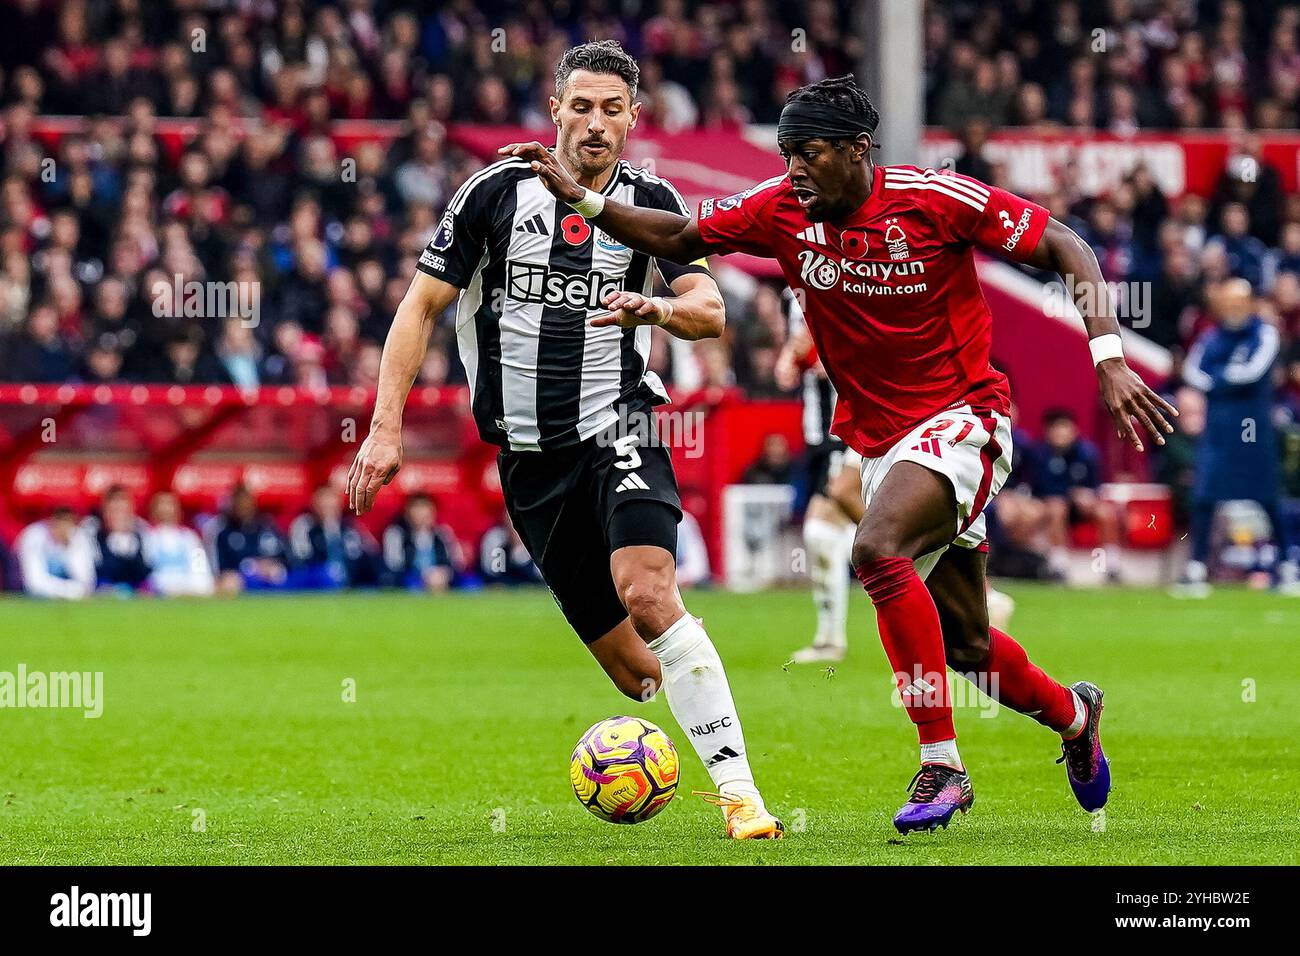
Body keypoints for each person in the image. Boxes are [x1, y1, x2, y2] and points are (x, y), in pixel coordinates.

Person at [502, 73, 1178, 834]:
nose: (794, 170)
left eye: (810, 154)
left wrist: (1110, 359)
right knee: (968, 644)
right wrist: (586, 201)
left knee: (876, 548)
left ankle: (941, 767)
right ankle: (1074, 716)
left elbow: (1066, 245)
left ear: (858, 151)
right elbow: (680, 238)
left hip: (965, 419)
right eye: (787, 154)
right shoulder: (781, 208)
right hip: (887, 442)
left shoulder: (933, 199)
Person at [347, 41, 783, 839]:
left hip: (619, 421)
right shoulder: (493, 194)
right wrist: (384, 428)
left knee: (648, 590)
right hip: (528, 458)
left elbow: (711, 311)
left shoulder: (650, 201)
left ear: (632, 118)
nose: (594, 123)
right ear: (555, 111)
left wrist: (650, 310)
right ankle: (697, 711)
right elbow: (419, 308)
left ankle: (740, 795)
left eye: (611, 109)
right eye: (579, 106)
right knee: (635, 676)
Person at [1179, 279, 1296, 595]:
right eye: (1227, 302)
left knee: (1267, 495)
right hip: (1218, 428)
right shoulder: (1210, 336)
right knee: (1205, 496)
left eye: (1238, 301)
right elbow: (1192, 372)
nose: (1233, 308)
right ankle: (1196, 568)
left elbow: (1252, 372)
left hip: (1252, 427)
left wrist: (1218, 378)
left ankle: (1286, 566)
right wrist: (1225, 377)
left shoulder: (1265, 333)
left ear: (1249, 303)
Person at [775, 294, 861, 662]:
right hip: (818, 433)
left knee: (824, 530)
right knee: (826, 534)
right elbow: (799, 352)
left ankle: (831, 639)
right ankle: (830, 638)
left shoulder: (839, 273)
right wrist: (791, 358)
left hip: (851, 424)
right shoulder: (788, 296)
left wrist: (822, 354)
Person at [1031, 408, 1123, 583]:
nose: (1062, 433)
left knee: (1106, 513)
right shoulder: (1039, 454)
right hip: (1053, 506)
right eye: (1057, 429)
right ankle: (1059, 566)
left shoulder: (1087, 453)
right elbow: (1039, 489)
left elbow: (1096, 486)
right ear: (1048, 432)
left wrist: (1088, 496)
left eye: (1065, 428)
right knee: (1056, 509)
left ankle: (1111, 566)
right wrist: (1068, 494)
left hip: (1082, 506)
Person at [204, 484, 290, 594]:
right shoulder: (223, 532)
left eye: (247, 501)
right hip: (240, 579)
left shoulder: (266, 526)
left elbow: (285, 557)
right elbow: (221, 567)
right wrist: (251, 566)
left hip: (270, 578)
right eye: (240, 502)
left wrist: (270, 565)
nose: (244, 506)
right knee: (229, 583)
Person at [288, 484, 376, 589]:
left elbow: (359, 555)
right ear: (314, 506)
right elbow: (302, 557)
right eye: (324, 506)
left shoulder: (349, 528)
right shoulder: (304, 525)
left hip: (347, 575)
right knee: (326, 577)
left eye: (332, 505)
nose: (328, 510)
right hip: (314, 574)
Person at [381, 493, 461, 592]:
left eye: (425, 509)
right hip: (409, 578)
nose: (421, 514)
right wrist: (424, 575)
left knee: (470, 584)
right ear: (407, 513)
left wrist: (444, 573)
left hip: (440, 576)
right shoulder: (396, 533)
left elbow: (454, 561)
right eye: (417, 509)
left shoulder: (442, 533)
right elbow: (394, 564)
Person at [142, 490, 214, 597]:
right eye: (161, 505)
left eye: (170, 504)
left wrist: (193, 589)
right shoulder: (145, 538)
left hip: (188, 595)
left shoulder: (190, 538)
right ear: (153, 509)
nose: (166, 509)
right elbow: (146, 575)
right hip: (159, 596)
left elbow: (201, 572)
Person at [17, 507, 96, 600]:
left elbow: (86, 582)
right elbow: (34, 584)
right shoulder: (33, 536)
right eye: (59, 520)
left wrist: (68, 548)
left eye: (67, 521)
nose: (63, 527)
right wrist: (71, 592)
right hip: (25, 595)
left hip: (65, 597)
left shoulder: (79, 537)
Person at [87, 484, 151, 592]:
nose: (118, 516)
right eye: (114, 510)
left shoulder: (142, 531)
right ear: (104, 510)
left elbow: (147, 572)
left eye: (122, 511)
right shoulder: (91, 531)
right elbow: (89, 574)